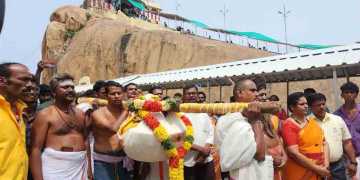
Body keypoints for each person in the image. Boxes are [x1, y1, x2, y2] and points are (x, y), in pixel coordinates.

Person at [30, 74, 90, 180]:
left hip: (80, 166)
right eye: (65, 87)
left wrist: (89, 168)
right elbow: (35, 149)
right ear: (54, 92)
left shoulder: (80, 113)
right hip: (55, 168)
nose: (71, 90)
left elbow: (86, 141)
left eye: (72, 87)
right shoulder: (45, 114)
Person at [215, 79, 267, 180]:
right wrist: (255, 122)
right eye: (253, 90)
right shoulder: (233, 121)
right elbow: (260, 155)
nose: (257, 94)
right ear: (239, 93)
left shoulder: (253, 116)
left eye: (257, 91)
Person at [281, 92, 330, 180]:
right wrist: (317, 168)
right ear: (292, 107)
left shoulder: (312, 122)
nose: (306, 106)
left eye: (306, 103)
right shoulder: (289, 125)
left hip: (319, 171)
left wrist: (325, 165)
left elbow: (324, 143)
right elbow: (294, 153)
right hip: (300, 171)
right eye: (302, 104)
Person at [309, 93, 357, 179]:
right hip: (316, 168)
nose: (322, 107)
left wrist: (353, 162)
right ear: (311, 107)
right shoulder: (307, 123)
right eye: (318, 105)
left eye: (323, 104)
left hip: (338, 166)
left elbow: (347, 143)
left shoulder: (337, 119)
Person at [91, 81, 132, 180]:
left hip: (123, 162)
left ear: (123, 94)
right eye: (113, 94)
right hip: (102, 163)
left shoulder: (129, 113)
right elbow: (113, 129)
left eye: (119, 93)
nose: (117, 96)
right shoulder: (97, 114)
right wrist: (126, 111)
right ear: (106, 96)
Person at [0, 62, 33, 180]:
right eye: (24, 80)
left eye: (30, 80)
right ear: (2, 81)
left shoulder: (21, 110)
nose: (30, 85)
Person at [182, 85, 215, 180]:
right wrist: (200, 149)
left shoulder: (203, 113)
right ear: (183, 96)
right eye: (188, 94)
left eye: (194, 93)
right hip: (187, 161)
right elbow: (178, 138)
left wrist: (205, 152)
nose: (192, 95)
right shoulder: (179, 114)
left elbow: (210, 132)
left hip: (207, 159)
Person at [334, 82, 360, 179]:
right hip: (346, 159)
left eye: (352, 92)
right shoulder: (336, 115)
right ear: (342, 95)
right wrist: (349, 160)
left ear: (356, 94)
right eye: (346, 92)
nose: (349, 95)